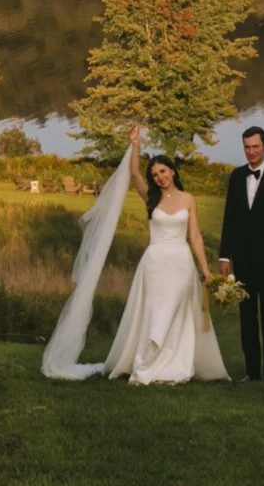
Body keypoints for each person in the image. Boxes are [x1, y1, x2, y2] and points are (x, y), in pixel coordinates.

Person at [99, 126, 231, 384]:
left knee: (176, 310)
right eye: (155, 174)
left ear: (173, 171)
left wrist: (205, 270)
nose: (159, 177)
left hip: (181, 263)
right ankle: (148, 361)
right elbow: (134, 173)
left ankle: (176, 363)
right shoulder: (150, 196)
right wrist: (135, 144)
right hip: (155, 263)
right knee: (157, 311)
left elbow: (195, 236)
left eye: (162, 171)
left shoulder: (188, 199)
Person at [217, 125, 264, 381]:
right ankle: (252, 372)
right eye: (247, 147)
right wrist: (225, 256)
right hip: (243, 261)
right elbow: (230, 217)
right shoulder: (236, 176)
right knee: (247, 319)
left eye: (255, 146)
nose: (251, 151)